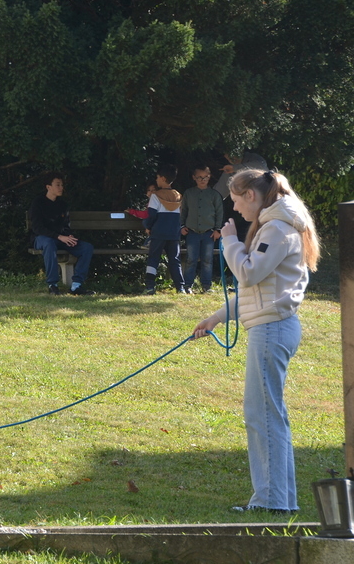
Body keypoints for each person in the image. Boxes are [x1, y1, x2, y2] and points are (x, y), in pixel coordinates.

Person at [192, 169, 319, 514]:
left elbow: (248, 273)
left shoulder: (277, 228)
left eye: (236, 200)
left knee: (262, 415)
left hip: (271, 330)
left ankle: (271, 502)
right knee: (266, 414)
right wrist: (216, 318)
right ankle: (280, 501)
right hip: (273, 327)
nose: (234, 208)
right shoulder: (277, 226)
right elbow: (258, 288)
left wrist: (229, 242)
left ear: (251, 195)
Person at [29, 172, 95, 296]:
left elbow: (65, 225)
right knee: (49, 244)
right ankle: (53, 285)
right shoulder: (38, 203)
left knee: (87, 247)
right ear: (48, 187)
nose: (61, 188)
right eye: (57, 185)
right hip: (42, 238)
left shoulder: (62, 204)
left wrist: (69, 236)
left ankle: (76, 286)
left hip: (61, 239)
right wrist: (59, 236)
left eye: (62, 185)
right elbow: (37, 228)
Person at [180, 164, 223, 293]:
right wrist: (182, 226)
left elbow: (219, 212)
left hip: (209, 232)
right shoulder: (189, 193)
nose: (202, 180)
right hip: (192, 231)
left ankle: (206, 285)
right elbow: (183, 210)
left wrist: (218, 229)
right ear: (194, 177)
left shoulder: (214, 195)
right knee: (191, 259)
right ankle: (187, 285)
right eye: (199, 177)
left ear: (209, 177)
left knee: (207, 260)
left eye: (205, 177)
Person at [143, 164, 185, 295]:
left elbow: (151, 215)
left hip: (159, 233)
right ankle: (180, 287)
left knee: (153, 259)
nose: (156, 180)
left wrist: (148, 227)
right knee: (175, 260)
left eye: (157, 177)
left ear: (162, 178)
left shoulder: (156, 196)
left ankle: (150, 286)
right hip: (173, 234)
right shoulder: (178, 196)